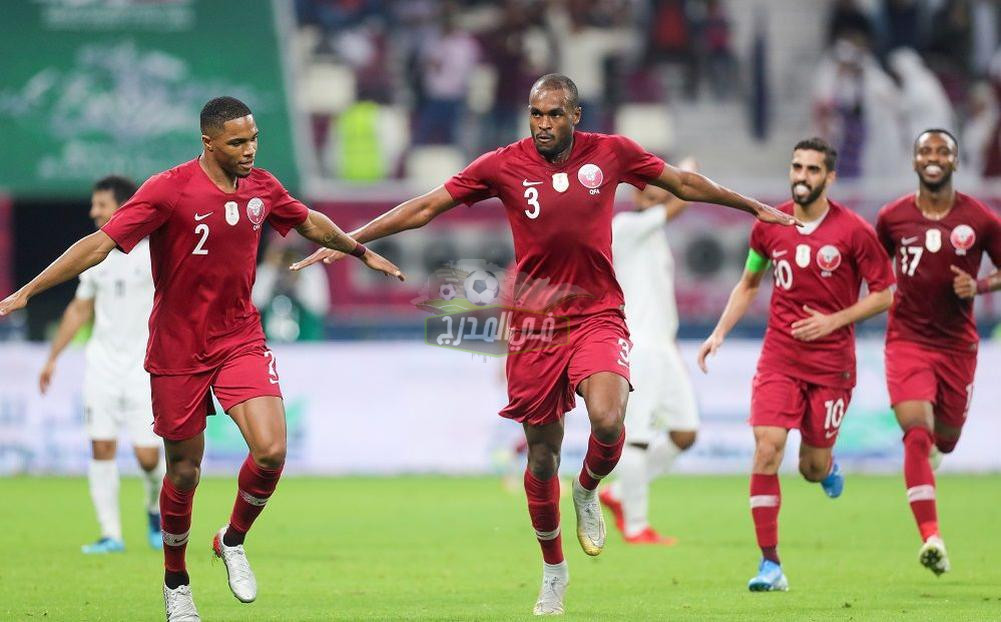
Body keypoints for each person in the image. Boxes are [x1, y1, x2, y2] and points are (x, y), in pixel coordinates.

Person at [291, 73, 797, 615]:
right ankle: (554, 571)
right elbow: (425, 207)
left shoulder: (611, 153)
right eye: (536, 114)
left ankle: (586, 490)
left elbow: (683, 184)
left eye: (554, 114)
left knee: (608, 419)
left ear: (576, 116)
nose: (543, 125)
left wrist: (752, 207)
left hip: (597, 314)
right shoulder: (504, 164)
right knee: (540, 455)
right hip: (534, 326)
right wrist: (350, 241)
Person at [0, 96, 403, 622]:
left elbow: (308, 220)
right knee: (184, 472)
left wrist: (358, 249)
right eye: (237, 142)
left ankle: (231, 540)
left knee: (271, 451)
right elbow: (99, 244)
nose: (249, 150)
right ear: (208, 142)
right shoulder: (169, 189)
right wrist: (27, 292)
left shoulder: (263, 187)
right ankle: (176, 582)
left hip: (239, 339)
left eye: (253, 138)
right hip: (177, 348)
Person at [697, 137, 895, 593]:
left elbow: (884, 294)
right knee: (767, 449)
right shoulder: (769, 224)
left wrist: (834, 321)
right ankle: (771, 564)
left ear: (829, 178)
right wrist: (720, 332)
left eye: (811, 170)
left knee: (810, 466)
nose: (802, 176)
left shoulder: (854, 232)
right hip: (779, 358)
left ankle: (826, 470)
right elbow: (749, 282)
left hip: (832, 367)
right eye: (797, 167)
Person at [875, 129, 1001, 576]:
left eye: (942, 151)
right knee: (916, 433)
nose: (933, 157)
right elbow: (873, 270)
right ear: (914, 163)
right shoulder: (892, 218)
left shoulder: (980, 219)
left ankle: (930, 457)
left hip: (957, 346)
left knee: (944, 438)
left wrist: (981, 285)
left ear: (955, 161)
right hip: (906, 340)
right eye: (925, 151)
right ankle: (931, 537)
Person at [38, 175, 164, 554]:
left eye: (101, 204)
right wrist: (53, 357)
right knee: (102, 447)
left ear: (123, 208)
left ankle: (154, 511)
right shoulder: (96, 258)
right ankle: (111, 534)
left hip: (144, 368)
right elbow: (80, 308)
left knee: (147, 456)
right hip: (102, 366)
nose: (93, 212)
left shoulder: (153, 255)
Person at [598, 158, 700, 545]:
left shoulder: (652, 232)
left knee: (685, 433)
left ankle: (620, 492)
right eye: (654, 188)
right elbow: (679, 204)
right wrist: (687, 178)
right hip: (638, 344)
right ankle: (637, 526)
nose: (659, 195)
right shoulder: (625, 227)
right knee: (637, 435)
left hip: (663, 345)